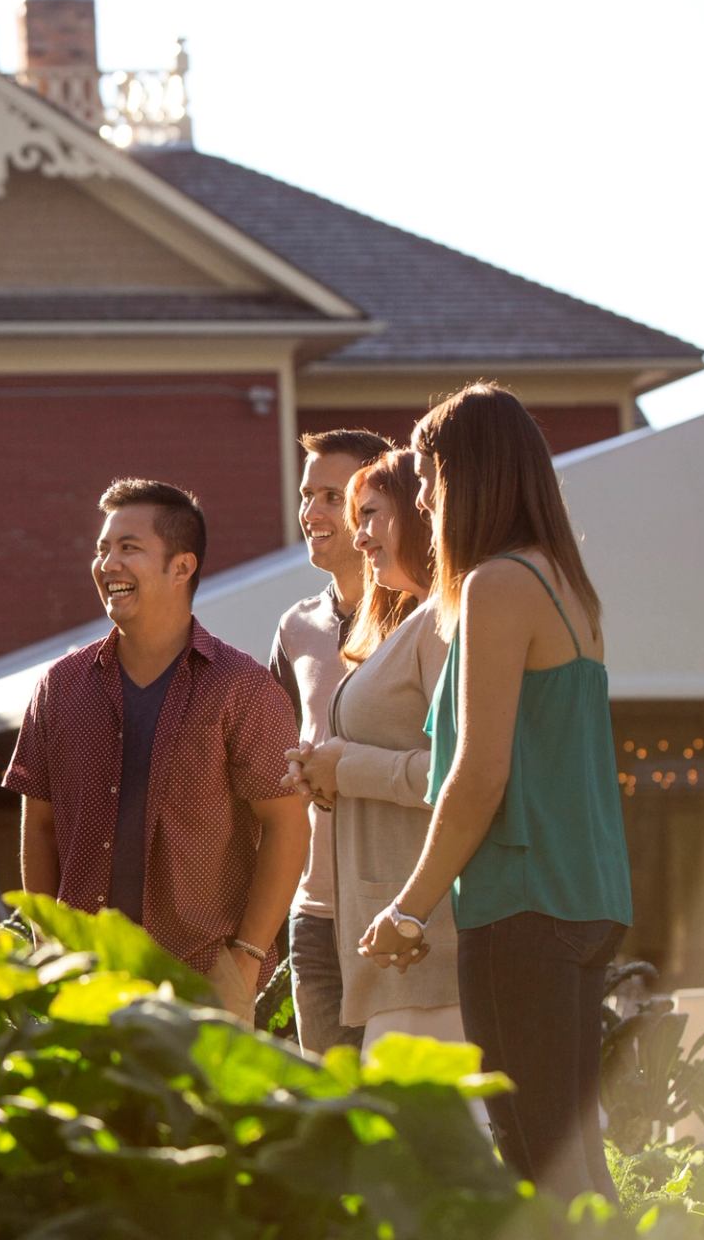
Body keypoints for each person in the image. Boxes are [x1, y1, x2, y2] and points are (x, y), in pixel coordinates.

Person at [360, 383, 632, 1201]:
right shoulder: (567, 586)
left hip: (522, 906)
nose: (428, 504)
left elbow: (479, 772)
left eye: (431, 483)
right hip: (589, 899)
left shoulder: (495, 586)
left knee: (536, 1163)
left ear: (464, 478)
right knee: (575, 1161)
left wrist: (409, 906)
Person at [6, 479, 307, 1019]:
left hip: (203, 980)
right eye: (102, 549)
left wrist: (247, 956)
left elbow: (287, 824)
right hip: (83, 979)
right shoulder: (60, 686)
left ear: (181, 566)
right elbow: (39, 824)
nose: (107, 564)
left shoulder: (243, 689)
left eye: (128, 548)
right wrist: (45, 943)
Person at [285, 449, 459, 1057]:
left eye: (361, 510)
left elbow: (463, 770)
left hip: (415, 923)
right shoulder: (301, 628)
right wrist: (311, 768)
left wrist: (345, 768)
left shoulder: (443, 621)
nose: (355, 533)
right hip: (339, 916)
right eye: (310, 496)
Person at [269, 429, 392, 1055]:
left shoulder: (424, 619)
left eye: (330, 496)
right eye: (305, 495)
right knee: (334, 1119)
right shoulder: (296, 627)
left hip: (402, 912)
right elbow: (272, 761)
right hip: (313, 918)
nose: (311, 513)